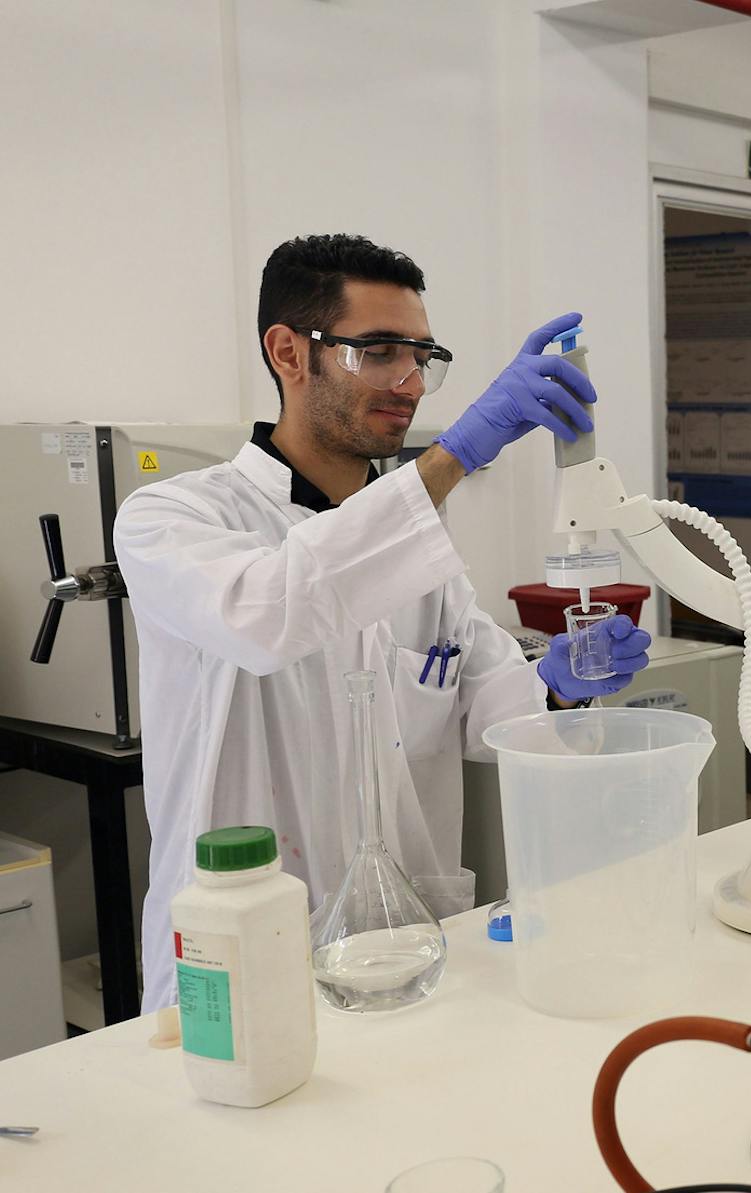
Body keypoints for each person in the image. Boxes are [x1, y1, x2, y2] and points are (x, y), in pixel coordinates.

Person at [116, 234, 653, 1007]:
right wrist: (456, 455)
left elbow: (486, 708)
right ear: (289, 353)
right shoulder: (171, 518)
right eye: (378, 352)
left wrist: (559, 685)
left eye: (422, 357)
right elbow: (270, 614)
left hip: (407, 955)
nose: (409, 381)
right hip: (244, 967)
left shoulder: (418, 555)